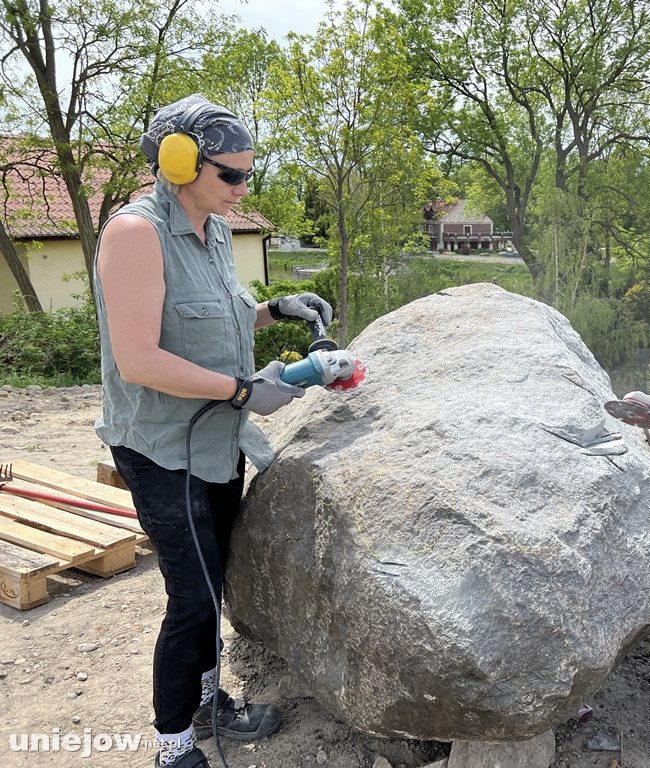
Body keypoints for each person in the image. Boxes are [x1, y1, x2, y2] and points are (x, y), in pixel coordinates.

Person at [93, 94, 333, 768]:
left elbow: (210, 320)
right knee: (192, 598)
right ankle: (174, 745)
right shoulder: (134, 234)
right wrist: (240, 391)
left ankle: (206, 702)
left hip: (219, 440)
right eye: (230, 175)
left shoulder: (219, 231)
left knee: (213, 579)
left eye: (248, 174)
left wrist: (274, 310)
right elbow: (140, 357)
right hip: (162, 447)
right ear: (179, 163)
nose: (243, 188)